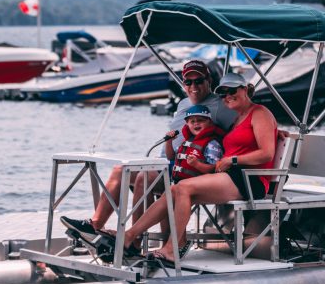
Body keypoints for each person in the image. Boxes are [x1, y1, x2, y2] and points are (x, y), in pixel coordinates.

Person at [60, 60, 236, 245]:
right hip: (166, 161)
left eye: (199, 81)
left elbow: (236, 132)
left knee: (145, 178)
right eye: (188, 82)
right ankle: (94, 226)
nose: (194, 86)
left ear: (209, 81)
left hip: (188, 167)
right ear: (183, 84)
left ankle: (134, 242)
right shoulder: (183, 103)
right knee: (121, 170)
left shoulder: (220, 107)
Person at [117, 72, 278, 263]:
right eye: (223, 93)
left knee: (183, 188)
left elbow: (267, 153)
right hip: (230, 176)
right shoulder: (237, 118)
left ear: (245, 89)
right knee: (175, 189)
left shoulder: (260, 113)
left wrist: (233, 160)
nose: (227, 96)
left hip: (250, 180)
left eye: (232, 91)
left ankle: (172, 248)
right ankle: (128, 236)